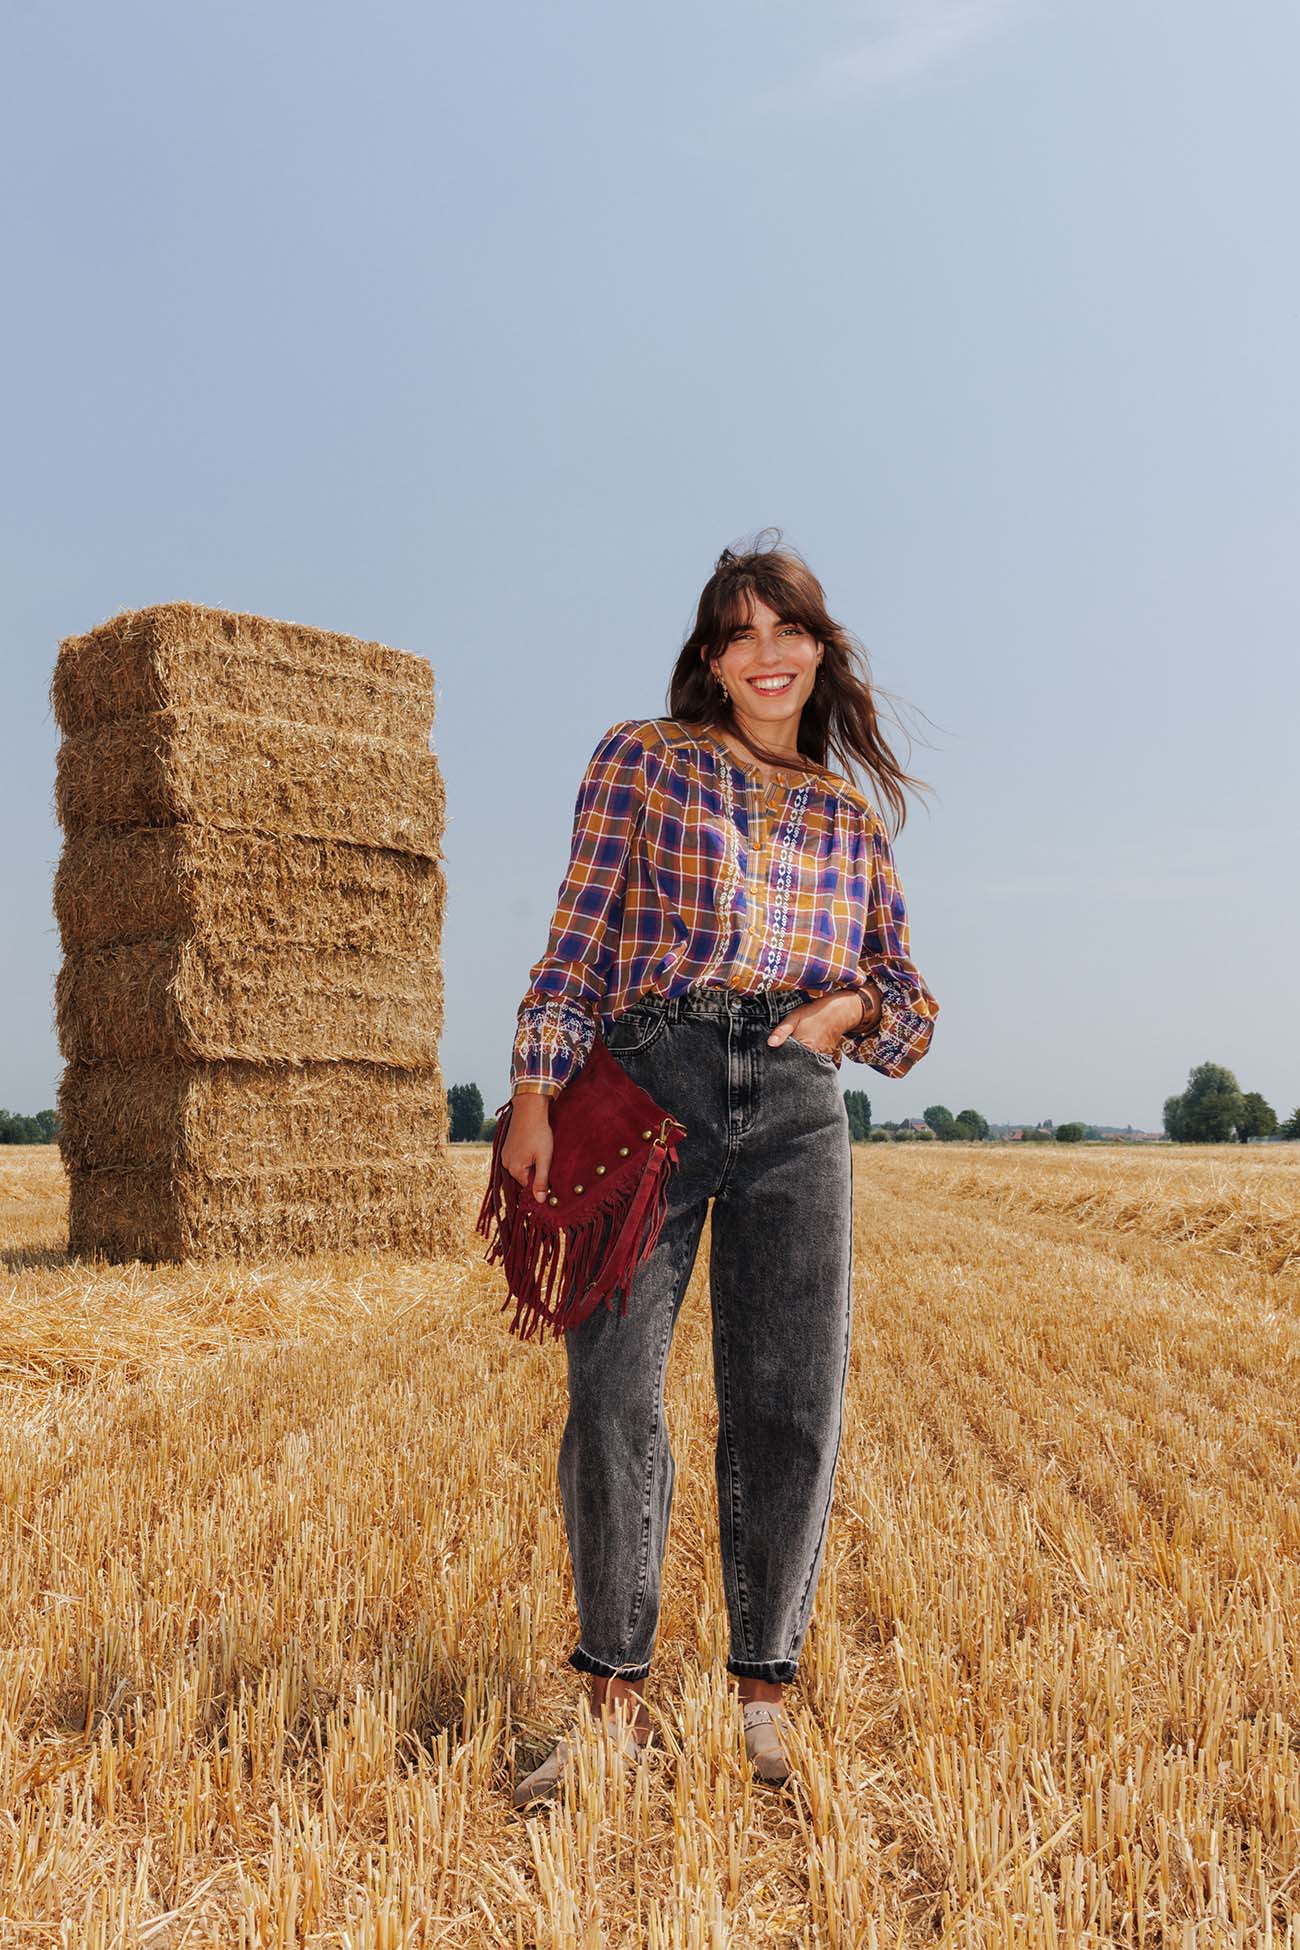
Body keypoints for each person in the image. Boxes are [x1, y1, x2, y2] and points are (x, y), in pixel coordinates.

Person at [504, 532, 940, 1808]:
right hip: (652, 1082)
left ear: (819, 651)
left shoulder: (849, 817)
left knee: (788, 1402)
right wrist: (534, 1089)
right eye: (741, 632)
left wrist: (841, 1015)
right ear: (710, 657)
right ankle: (612, 1707)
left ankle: (762, 1707)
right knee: (615, 1394)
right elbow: (575, 937)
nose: (767, 653)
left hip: (799, 1110)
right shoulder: (640, 758)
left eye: (788, 629)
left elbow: (910, 1006)